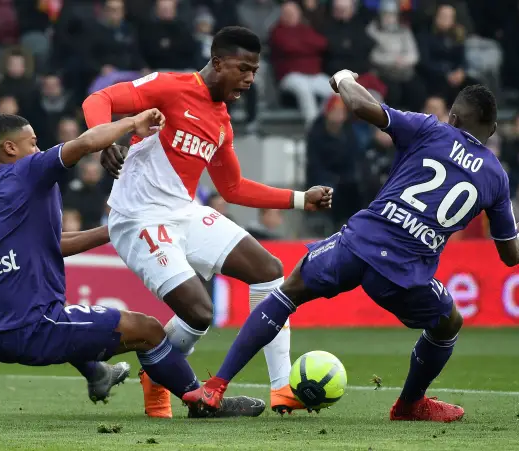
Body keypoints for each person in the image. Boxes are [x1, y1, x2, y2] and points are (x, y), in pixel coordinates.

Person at [182, 75, 519, 422]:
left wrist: (343, 78)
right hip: (405, 272)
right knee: (448, 323)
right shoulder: (496, 176)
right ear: (491, 131)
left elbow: (361, 105)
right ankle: (410, 405)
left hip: (360, 242)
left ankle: (215, 387)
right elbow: (510, 255)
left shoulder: (431, 129)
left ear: (454, 118)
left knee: (287, 292)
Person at [82, 26, 332, 418]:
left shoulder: (221, 121)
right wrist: (103, 141)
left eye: (254, 71)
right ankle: (160, 369)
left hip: (183, 211)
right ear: (218, 63)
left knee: (269, 271)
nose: (250, 80)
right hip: (138, 219)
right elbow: (100, 98)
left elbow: (231, 188)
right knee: (199, 314)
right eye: (243, 69)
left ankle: (282, 388)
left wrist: (300, 199)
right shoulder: (169, 87)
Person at [0, 112, 266, 418]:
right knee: (148, 330)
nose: (38, 150)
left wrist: (113, 229)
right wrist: (132, 123)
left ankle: (97, 373)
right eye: (32, 143)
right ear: (10, 148)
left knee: (73, 322)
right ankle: (203, 404)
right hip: (31, 326)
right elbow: (84, 143)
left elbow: (52, 244)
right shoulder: (24, 172)